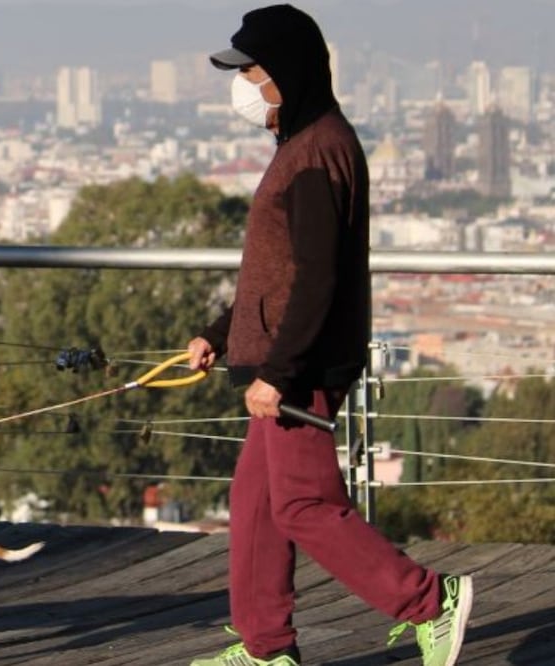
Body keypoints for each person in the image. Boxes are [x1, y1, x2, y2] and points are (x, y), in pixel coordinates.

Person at [185, 5, 473, 666]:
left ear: (289, 70)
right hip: (285, 359)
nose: (245, 84)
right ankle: (265, 648)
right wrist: (219, 335)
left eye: (253, 69)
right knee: (257, 503)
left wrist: (278, 373)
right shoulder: (303, 143)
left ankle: (431, 600)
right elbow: (276, 272)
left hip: (301, 366)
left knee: (305, 504)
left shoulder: (317, 152)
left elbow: (317, 278)